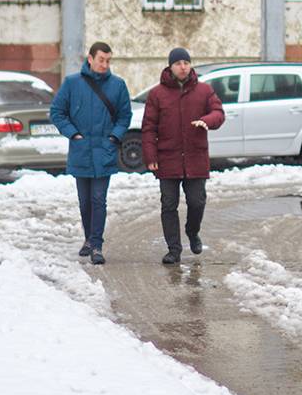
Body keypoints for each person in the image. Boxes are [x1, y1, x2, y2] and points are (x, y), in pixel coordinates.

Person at [50, 41, 132, 265]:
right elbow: (57, 112)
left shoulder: (118, 85)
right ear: (90, 59)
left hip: (104, 150)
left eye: (108, 60)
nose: (105, 64)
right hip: (81, 150)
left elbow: (125, 116)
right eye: (101, 60)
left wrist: (114, 137)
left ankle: (96, 245)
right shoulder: (72, 83)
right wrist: (72, 134)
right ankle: (88, 238)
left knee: (98, 199)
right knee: (84, 200)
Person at [141, 47, 225, 265]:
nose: (183, 66)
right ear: (170, 66)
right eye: (178, 63)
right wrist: (150, 155)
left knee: (197, 202)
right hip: (167, 158)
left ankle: (192, 231)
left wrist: (207, 120)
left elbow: (219, 113)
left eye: (186, 62)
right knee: (169, 205)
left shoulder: (204, 91)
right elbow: (149, 127)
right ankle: (174, 250)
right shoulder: (157, 94)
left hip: (195, 157)